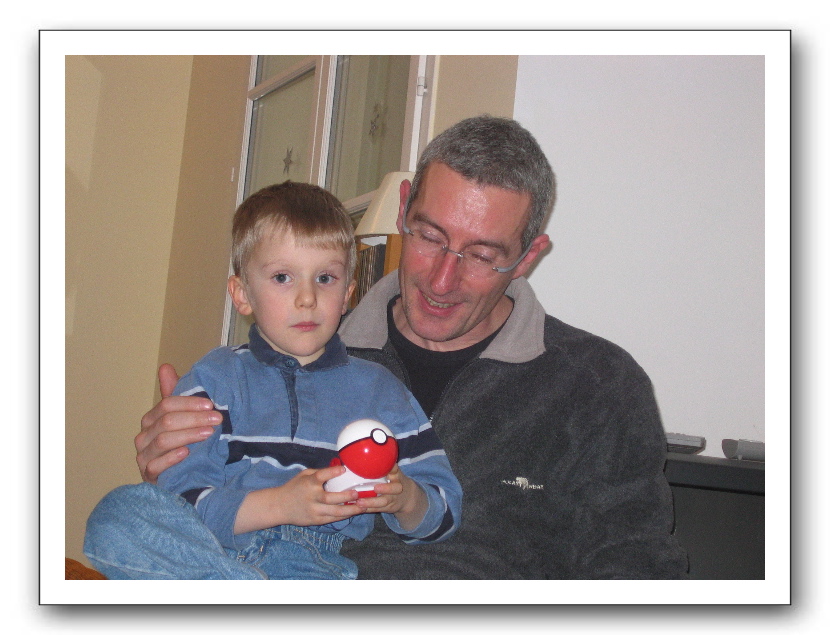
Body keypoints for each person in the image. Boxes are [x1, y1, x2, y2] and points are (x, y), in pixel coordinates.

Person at [132, 116, 689, 579]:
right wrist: (172, 469)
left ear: (528, 256)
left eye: (482, 255)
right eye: (429, 236)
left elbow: (635, 568)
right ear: (402, 208)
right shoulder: (298, 349)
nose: (442, 280)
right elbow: (202, 516)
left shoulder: (597, 385)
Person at [83, 182, 462, 580]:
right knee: (117, 513)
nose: (307, 298)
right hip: (220, 550)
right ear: (242, 294)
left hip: (312, 564)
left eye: (325, 278)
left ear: (348, 294)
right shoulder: (214, 378)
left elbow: (445, 511)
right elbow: (181, 500)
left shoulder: (380, 390)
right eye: (282, 277)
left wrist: (406, 499)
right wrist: (279, 505)